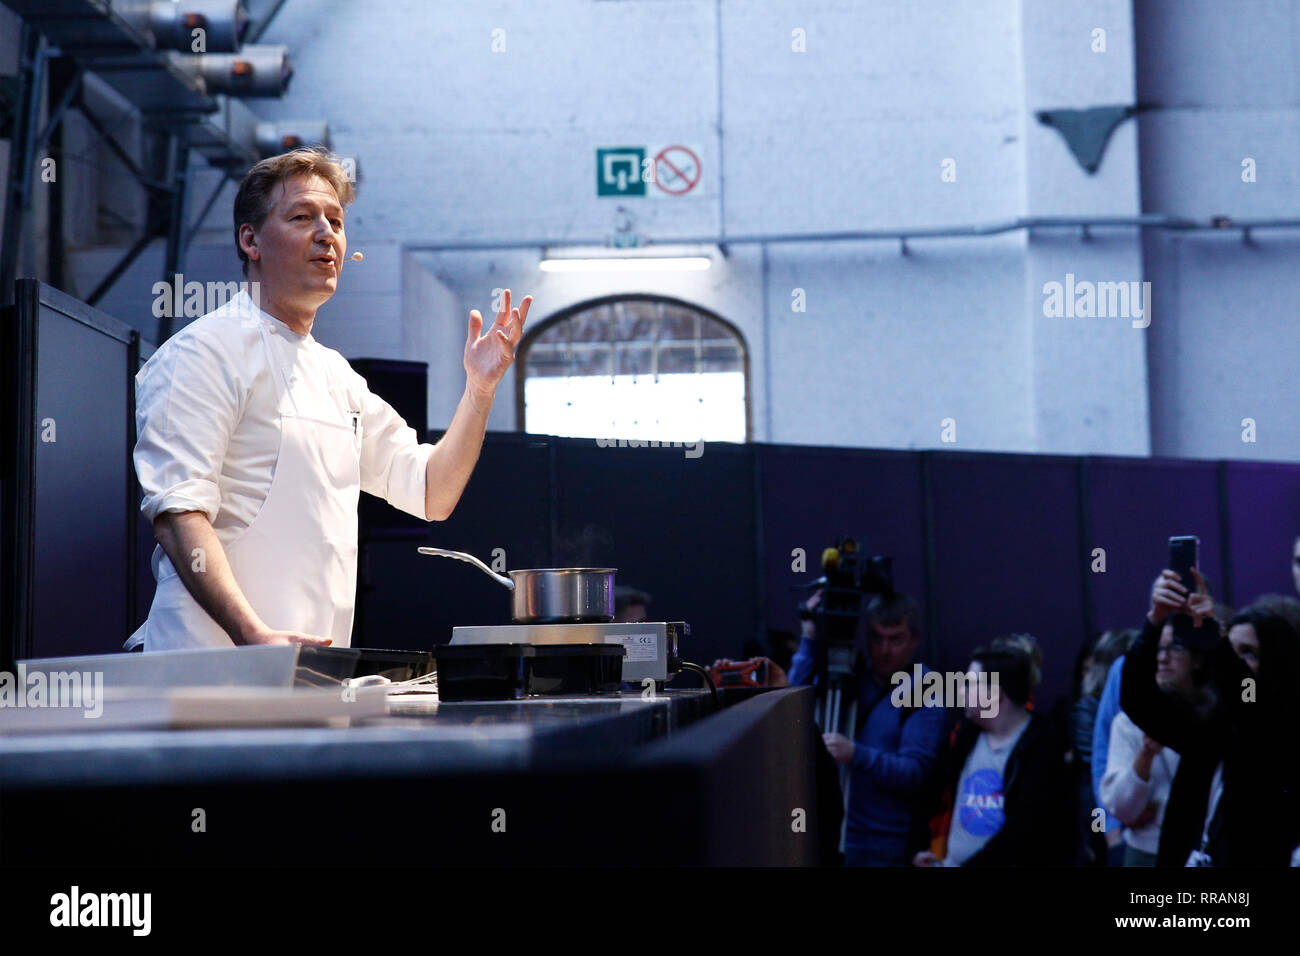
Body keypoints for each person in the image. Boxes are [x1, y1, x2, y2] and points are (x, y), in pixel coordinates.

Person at [127, 147, 532, 651]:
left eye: (336, 221)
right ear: (250, 240)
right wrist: (252, 635)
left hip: (310, 671)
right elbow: (179, 513)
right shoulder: (201, 353)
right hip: (209, 669)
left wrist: (480, 389)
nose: (327, 234)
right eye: (302, 217)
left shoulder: (337, 377)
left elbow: (432, 492)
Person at [1121, 569, 1299, 866]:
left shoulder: (1279, 729)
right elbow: (1138, 701)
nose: (1237, 660)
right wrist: (1155, 620)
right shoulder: (1210, 726)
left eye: (1248, 652)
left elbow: (1251, 701)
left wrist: (1215, 639)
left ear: (1276, 663)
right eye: (1232, 649)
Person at [783, 590, 948, 866]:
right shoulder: (855, 675)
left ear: (915, 639)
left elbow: (914, 773)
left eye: (895, 639)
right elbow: (793, 701)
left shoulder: (924, 688)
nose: (884, 650)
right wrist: (809, 637)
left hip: (889, 844)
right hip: (838, 833)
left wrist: (855, 753)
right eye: (877, 637)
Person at [911, 640, 1074, 866]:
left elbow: (1021, 835)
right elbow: (930, 797)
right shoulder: (963, 738)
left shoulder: (1041, 748)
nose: (961, 691)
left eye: (969, 684)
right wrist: (920, 849)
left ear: (994, 694)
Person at [1100, 624, 1187, 866]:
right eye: (1157, 650)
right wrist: (1146, 755)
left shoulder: (1213, 714)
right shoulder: (1127, 723)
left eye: (1174, 649)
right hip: (1147, 851)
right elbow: (1120, 807)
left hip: (1204, 847)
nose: (1163, 658)